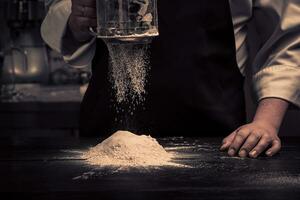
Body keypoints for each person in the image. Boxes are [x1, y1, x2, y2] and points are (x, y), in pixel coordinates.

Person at [41, 0, 300, 158]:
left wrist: (266, 122)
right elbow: (57, 10)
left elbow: (290, 35)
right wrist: (75, 19)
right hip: (106, 142)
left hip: (218, 145)